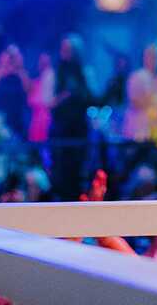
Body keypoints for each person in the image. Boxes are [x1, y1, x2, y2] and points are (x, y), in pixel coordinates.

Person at [49, 36, 94, 202]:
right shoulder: (58, 71)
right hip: (61, 127)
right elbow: (51, 101)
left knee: (77, 167)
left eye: (68, 49)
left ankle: (76, 200)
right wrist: (65, 95)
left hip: (78, 127)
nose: (64, 52)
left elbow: (91, 96)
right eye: (63, 48)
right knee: (61, 167)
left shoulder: (83, 71)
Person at [121, 46, 157, 143]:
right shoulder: (136, 77)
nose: (154, 59)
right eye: (150, 56)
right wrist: (154, 101)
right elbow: (135, 101)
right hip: (138, 131)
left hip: (156, 133)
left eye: (156, 56)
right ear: (144, 57)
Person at [0, 45, 30, 140]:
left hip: (18, 117)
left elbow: (28, 90)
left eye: (13, 57)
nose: (10, 59)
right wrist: (1, 65)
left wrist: (20, 67)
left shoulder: (21, 73)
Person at [24, 53, 54, 145]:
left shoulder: (51, 78)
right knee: (35, 141)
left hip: (46, 115)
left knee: (44, 141)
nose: (43, 65)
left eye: (46, 63)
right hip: (35, 116)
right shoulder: (36, 82)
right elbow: (29, 94)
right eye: (41, 62)